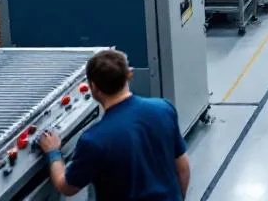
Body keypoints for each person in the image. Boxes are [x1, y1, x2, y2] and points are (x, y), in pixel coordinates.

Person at [38, 49, 190, 200]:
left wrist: (53, 153)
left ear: (93, 87)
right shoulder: (164, 109)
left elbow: (66, 187)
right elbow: (183, 169)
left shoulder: (93, 141)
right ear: (129, 74)